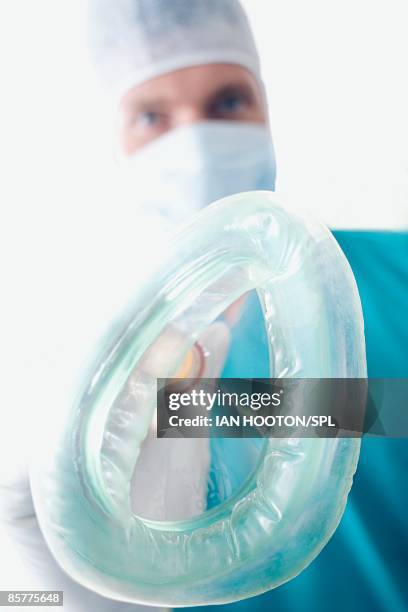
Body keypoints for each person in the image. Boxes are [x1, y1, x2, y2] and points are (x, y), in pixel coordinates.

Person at [1, 1, 406, 611]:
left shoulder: (395, 279)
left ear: (268, 110)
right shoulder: (73, 351)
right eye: (151, 115)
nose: (193, 142)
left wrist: (234, 406)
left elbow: (386, 414)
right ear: (114, 140)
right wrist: (69, 600)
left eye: (226, 102)